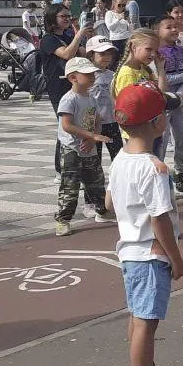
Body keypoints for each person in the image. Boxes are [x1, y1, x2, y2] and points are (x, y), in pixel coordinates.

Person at [105, 82, 183, 366]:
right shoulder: (154, 168)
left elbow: (109, 203)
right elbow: (160, 220)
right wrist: (176, 258)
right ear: (157, 122)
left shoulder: (121, 159)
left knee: (137, 317)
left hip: (129, 251)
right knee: (146, 323)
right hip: (149, 254)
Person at [54, 57, 113, 236]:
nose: (92, 77)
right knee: (70, 185)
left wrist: (92, 139)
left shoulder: (91, 97)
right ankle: (63, 220)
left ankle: (102, 211)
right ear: (73, 78)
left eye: (93, 74)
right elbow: (67, 125)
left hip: (89, 147)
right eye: (87, 75)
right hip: (71, 148)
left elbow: (97, 121)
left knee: (96, 182)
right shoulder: (69, 99)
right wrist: (91, 136)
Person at [40, 4, 87, 169]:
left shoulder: (68, 35)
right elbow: (66, 54)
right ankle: (61, 169)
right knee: (66, 128)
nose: (67, 19)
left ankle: (74, 167)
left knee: (77, 126)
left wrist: (80, 34)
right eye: (63, 16)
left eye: (69, 16)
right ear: (53, 18)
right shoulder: (48, 39)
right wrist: (78, 35)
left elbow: (83, 54)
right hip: (58, 88)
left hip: (75, 86)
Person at [156, 16, 183, 193]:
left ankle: (180, 171)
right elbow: (162, 78)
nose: (174, 30)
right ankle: (159, 170)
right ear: (158, 31)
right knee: (161, 139)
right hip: (162, 101)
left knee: (181, 137)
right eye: (168, 27)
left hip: (179, 100)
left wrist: (180, 95)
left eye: (176, 27)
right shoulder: (156, 53)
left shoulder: (181, 51)